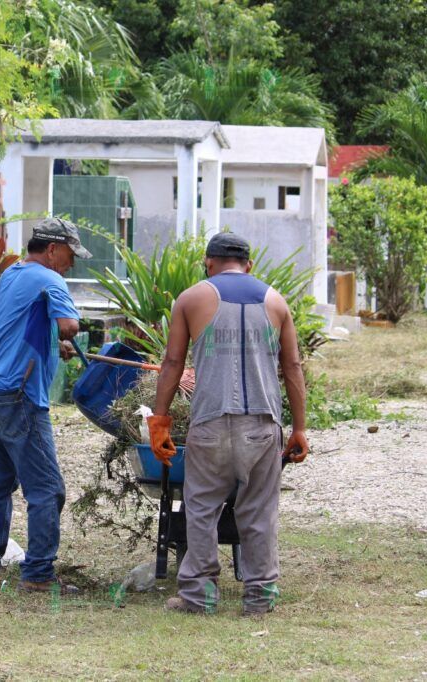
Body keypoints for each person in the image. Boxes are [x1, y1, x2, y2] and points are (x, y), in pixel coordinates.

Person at [147, 232, 309, 616]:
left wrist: (159, 421)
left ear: (209, 262)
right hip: (262, 425)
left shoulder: (190, 299)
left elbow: (171, 364)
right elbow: (292, 366)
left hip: (210, 423)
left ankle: (199, 596)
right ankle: (260, 596)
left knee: (201, 508)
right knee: (258, 511)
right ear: (248, 264)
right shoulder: (276, 300)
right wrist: (299, 427)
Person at [0, 217, 92, 594]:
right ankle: (37, 574)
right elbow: (69, 324)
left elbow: (28, 325)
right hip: (20, 396)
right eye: (70, 255)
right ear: (52, 249)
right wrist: (68, 332)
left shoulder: (12, 275)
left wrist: (55, 342)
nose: (71, 263)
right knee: (48, 489)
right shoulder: (50, 279)